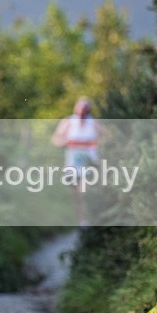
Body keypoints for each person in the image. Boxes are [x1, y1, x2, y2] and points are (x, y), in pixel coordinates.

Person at [51, 97, 101, 226]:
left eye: (85, 108)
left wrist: (98, 145)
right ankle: (81, 222)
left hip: (89, 164)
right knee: (75, 196)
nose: (83, 111)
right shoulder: (68, 122)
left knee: (84, 191)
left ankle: (88, 221)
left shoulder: (93, 123)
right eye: (81, 108)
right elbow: (55, 140)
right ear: (76, 109)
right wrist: (67, 142)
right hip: (72, 164)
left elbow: (109, 137)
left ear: (89, 110)